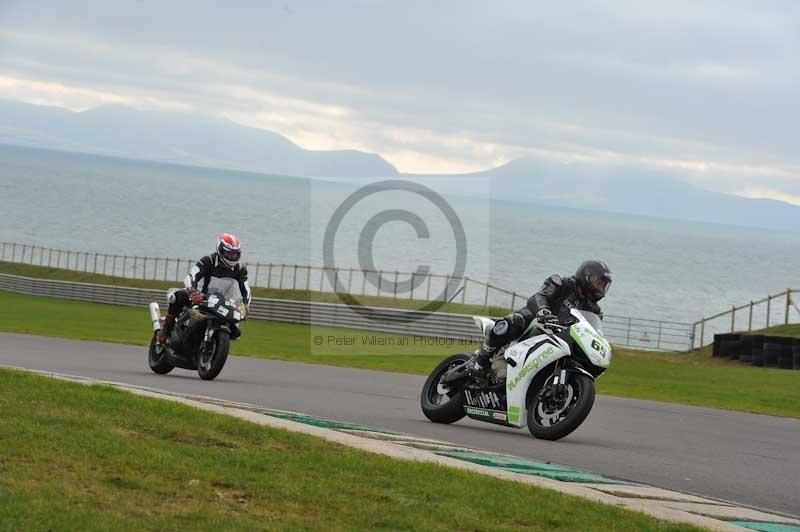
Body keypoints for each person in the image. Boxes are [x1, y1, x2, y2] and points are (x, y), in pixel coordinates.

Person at [465, 260, 612, 378]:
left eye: (603, 285)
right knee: (511, 323)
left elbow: (591, 332)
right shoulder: (561, 283)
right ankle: (480, 362)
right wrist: (543, 311)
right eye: (599, 283)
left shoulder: (595, 311)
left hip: (558, 339)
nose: (601, 288)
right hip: (536, 321)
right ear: (587, 276)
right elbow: (539, 296)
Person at [156, 233, 252, 344]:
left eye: (235, 254)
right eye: (229, 253)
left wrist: (245, 305)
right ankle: (165, 331)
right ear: (220, 249)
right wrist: (193, 291)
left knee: (235, 331)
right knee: (177, 297)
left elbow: (246, 289)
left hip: (222, 302)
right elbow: (192, 275)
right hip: (201, 297)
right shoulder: (208, 261)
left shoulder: (240, 269)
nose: (232, 257)